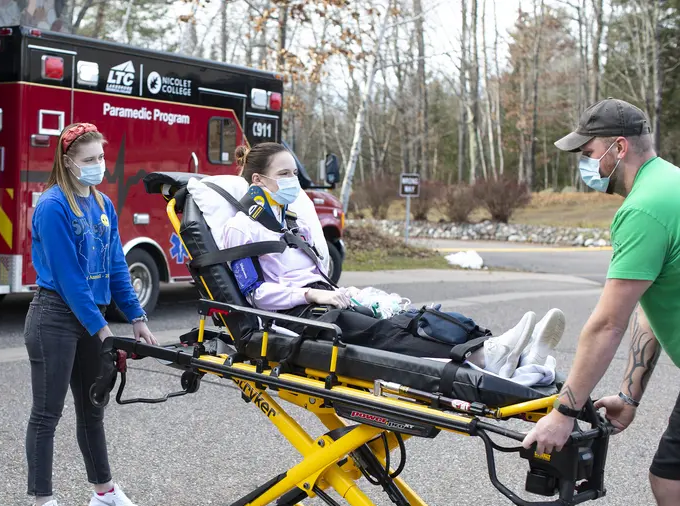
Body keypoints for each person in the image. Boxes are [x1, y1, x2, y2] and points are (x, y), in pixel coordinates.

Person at [213, 142, 565, 379]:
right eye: (285, 175)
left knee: (405, 315)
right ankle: (486, 357)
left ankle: (499, 349)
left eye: (294, 173)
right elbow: (255, 294)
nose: (294, 182)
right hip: (296, 317)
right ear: (258, 180)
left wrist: (339, 293)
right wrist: (311, 295)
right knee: (384, 332)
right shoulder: (242, 228)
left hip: (326, 300)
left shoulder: (290, 220)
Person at [523, 98, 680, 506]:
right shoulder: (670, 183)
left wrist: (564, 412)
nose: (586, 165)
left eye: (589, 153)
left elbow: (607, 324)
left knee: (674, 487)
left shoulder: (643, 209)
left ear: (619, 148)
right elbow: (651, 304)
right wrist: (630, 395)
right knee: (672, 484)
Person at [23, 122, 158, 506]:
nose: (99, 165)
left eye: (101, 157)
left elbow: (117, 266)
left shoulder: (102, 204)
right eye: (89, 159)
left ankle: (104, 494)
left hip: (89, 317)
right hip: (54, 317)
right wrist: (102, 332)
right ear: (68, 162)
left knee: (92, 409)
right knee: (47, 414)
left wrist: (136, 316)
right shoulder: (52, 206)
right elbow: (68, 278)